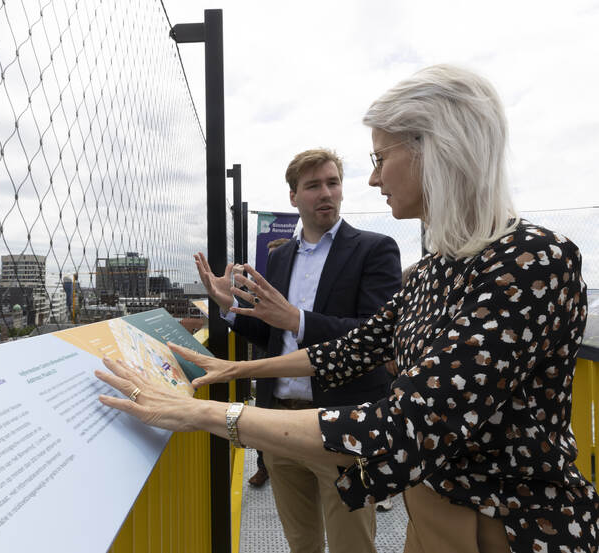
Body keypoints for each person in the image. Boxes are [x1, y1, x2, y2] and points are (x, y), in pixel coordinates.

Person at [97, 64, 598, 553]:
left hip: (509, 527)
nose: (374, 179)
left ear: (437, 150)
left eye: (380, 158)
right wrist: (238, 367)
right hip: (431, 516)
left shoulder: (534, 260)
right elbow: (350, 348)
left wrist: (206, 413)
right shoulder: (433, 270)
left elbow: (410, 425)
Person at [196, 146, 401, 553]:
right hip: (279, 424)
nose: (326, 193)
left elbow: (377, 335)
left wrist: (298, 320)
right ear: (293, 197)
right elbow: (275, 335)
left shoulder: (375, 249)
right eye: (313, 186)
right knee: (300, 543)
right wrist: (229, 308)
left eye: (333, 182)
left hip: (343, 423)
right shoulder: (282, 256)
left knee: (352, 546)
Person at [249, 236, 292, 489]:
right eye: (271, 256)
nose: (273, 261)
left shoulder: (297, 286)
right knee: (264, 420)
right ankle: (263, 467)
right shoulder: (262, 288)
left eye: (278, 254)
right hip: (270, 361)